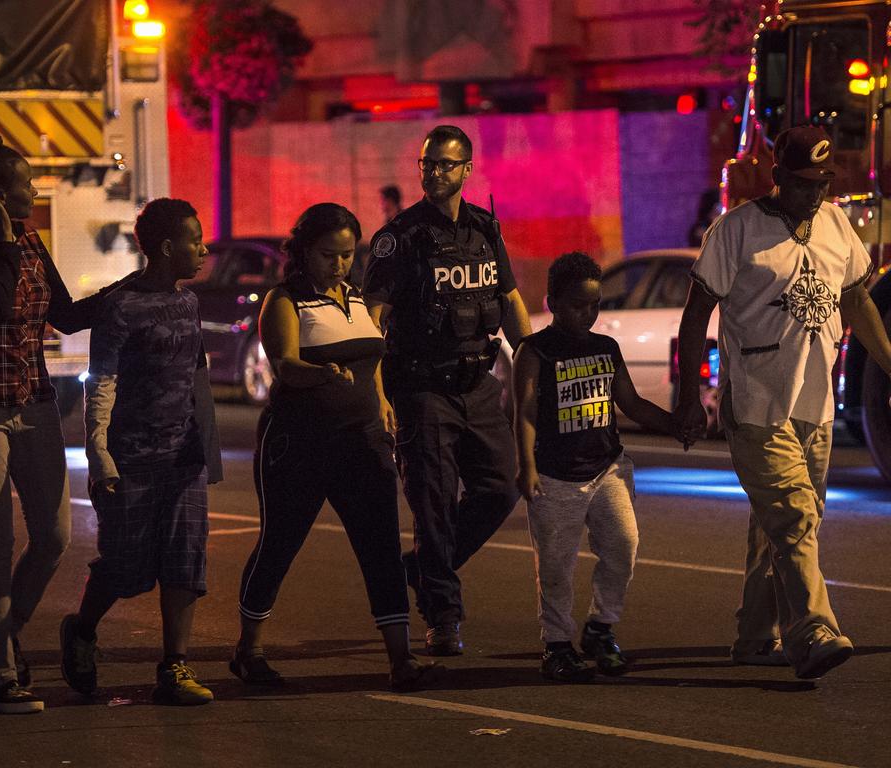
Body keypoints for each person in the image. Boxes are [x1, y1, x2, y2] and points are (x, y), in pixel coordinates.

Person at [0, 123, 130, 714]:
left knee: (54, 537)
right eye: (23, 184)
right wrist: (3, 240)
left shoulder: (31, 241)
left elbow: (64, 316)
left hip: (32, 399)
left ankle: (6, 631)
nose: (35, 191)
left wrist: (132, 289)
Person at [675, 125, 891, 679]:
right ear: (777, 178)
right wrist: (688, 397)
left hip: (814, 409)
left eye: (821, 183)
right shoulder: (737, 230)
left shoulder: (836, 223)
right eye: (801, 184)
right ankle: (813, 629)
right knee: (794, 516)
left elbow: (856, 297)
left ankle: (753, 636)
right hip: (756, 406)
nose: (813, 195)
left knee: (785, 524)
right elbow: (698, 311)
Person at [231, 203, 441, 692]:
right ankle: (248, 649)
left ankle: (401, 661)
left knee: (382, 550)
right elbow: (283, 364)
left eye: (348, 255)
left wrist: (383, 402)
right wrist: (320, 372)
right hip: (299, 444)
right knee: (279, 545)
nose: (340, 264)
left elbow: (374, 361)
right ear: (304, 251)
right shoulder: (285, 301)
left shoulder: (355, 298)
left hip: (363, 445)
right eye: (330, 255)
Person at [363, 125, 532, 656]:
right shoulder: (400, 237)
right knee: (433, 504)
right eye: (426, 164)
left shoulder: (484, 228)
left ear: (467, 170)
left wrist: (537, 361)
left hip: (479, 385)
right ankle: (442, 614)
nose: (433, 173)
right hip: (421, 387)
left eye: (445, 165)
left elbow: (510, 302)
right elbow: (373, 319)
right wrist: (380, 396)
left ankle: (422, 569)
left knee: (500, 488)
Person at [59, 198, 223, 705]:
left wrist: (207, 448)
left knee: (185, 559)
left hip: (183, 455)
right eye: (195, 240)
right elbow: (101, 381)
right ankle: (82, 629)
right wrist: (98, 453)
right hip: (131, 455)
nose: (203, 248)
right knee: (127, 568)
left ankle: (174, 667)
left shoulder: (188, 301)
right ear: (168, 247)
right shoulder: (121, 305)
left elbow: (197, 377)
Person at [514, 252, 680, 682]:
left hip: (607, 468)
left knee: (624, 545)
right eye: (578, 305)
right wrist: (527, 466)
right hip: (554, 474)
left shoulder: (606, 348)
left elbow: (631, 403)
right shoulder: (535, 351)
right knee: (555, 565)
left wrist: (675, 424)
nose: (588, 313)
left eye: (595, 304)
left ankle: (601, 628)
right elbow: (525, 412)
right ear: (552, 302)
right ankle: (556, 646)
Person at [349, 185, 404, 289]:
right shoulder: (391, 219)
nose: (381, 205)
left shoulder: (401, 219)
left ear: (390, 201)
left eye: (383, 201)